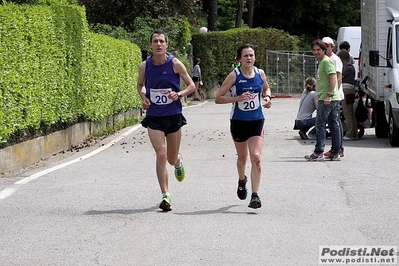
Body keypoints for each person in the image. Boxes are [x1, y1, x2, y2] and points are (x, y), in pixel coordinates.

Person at [137, 30, 196, 212]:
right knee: (161, 154)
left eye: (162, 41)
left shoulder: (176, 64)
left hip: (173, 115)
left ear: (166, 45)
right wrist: (143, 97)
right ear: (151, 45)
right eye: (155, 41)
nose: (159, 44)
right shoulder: (144, 66)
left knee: (170, 158)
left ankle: (178, 161)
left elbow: (192, 86)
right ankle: (165, 195)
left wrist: (178, 94)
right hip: (154, 116)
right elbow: (140, 85)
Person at [215, 44, 272, 209]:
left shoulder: (260, 73)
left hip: (256, 120)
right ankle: (242, 180)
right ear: (239, 59)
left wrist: (267, 98)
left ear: (255, 57)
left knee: (256, 156)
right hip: (238, 122)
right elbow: (218, 98)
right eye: (245, 55)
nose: (249, 58)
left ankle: (255, 195)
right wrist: (237, 99)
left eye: (251, 55)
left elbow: (266, 88)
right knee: (242, 158)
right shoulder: (234, 76)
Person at [305, 39, 341, 161]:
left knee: (320, 124)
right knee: (334, 125)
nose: (316, 52)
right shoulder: (322, 62)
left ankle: (318, 152)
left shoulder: (326, 62)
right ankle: (335, 152)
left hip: (327, 99)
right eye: (314, 50)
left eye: (318, 50)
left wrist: (328, 95)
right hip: (330, 98)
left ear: (324, 50)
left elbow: (333, 77)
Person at [322, 37, 344, 158]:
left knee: (333, 122)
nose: (325, 48)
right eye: (323, 46)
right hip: (332, 95)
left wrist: (331, 94)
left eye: (327, 46)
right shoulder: (326, 59)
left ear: (332, 47)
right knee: (335, 122)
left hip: (333, 96)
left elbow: (338, 78)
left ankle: (337, 149)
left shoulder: (335, 60)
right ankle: (338, 149)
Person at [337, 49, 357, 140]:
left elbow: (340, 77)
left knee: (347, 114)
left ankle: (349, 134)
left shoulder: (348, 68)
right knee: (351, 114)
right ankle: (354, 133)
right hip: (350, 91)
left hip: (346, 91)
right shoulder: (351, 68)